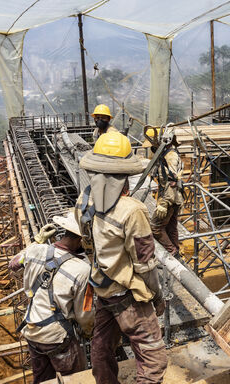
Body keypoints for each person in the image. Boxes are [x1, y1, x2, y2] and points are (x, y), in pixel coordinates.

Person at [75, 131, 167, 384]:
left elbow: (88, 244)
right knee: (154, 359)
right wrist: (157, 296)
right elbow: (145, 263)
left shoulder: (83, 200)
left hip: (102, 289)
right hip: (127, 296)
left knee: (102, 347)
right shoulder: (132, 210)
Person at [8, 212, 93, 384]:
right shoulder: (82, 270)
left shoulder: (35, 250)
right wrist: (88, 332)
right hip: (57, 338)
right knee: (75, 380)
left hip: (32, 331)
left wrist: (38, 240)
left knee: (42, 380)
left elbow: (13, 264)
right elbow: (84, 313)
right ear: (80, 240)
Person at [143, 127, 184, 257]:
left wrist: (164, 203)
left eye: (153, 144)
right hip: (174, 198)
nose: (152, 148)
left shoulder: (170, 156)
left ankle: (171, 251)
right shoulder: (166, 154)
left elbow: (172, 182)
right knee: (171, 227)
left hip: (170, 198)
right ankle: (175, 251)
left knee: (155, 227)